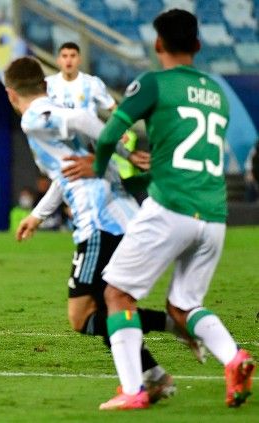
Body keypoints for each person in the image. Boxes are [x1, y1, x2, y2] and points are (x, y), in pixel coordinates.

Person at [93, 9, 254, 410]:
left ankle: (133, 391)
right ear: (198, 46)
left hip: (170, 207)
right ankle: (234, 358)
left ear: (158, 44)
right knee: (184, 305)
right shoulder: (216, 93)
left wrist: (98, 173)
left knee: (117, 295)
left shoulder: (153, 83)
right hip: (214, 213)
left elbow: (111, 133)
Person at [5, 56, 190, 403]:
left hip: (98, 221)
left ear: (10, 94)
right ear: (45, 85)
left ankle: (177, 326)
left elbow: (83, 118)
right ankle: (155, 376)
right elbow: (69, 171)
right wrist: (39, 216)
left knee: (81, 317)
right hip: (119, 216)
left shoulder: (34, 118)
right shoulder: (52, 118)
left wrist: (124, 151)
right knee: (109, 307)